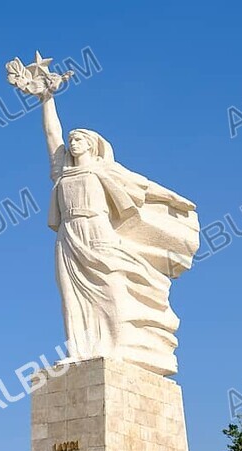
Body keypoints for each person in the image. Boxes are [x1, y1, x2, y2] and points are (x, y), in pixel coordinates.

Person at [38, 88, 200, 377]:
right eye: (72, 139)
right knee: (71, 296)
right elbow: (52, 137)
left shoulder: (106, 171)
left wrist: (174, 201)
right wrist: (46, 99)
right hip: (69, 236)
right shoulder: (62, 172)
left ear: (92, 146)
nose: (73, 143)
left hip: (99, 231)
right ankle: (79, 350)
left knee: (112, 290)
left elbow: (145, 186)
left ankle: (119, 347)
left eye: (79, 139)